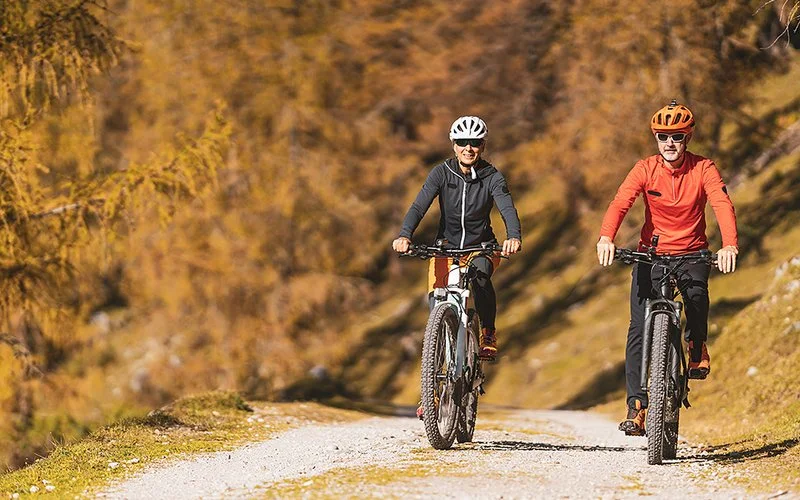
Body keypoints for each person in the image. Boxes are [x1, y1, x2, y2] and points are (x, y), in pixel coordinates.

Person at [595, 100, 739, 436]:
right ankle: (637, 407)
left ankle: (697, 344)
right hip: (651, 255)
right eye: (663, 136)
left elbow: (721, 203)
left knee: (698, 298)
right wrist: (606, 238)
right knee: (637, 328)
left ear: (687, 137)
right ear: (656, 138)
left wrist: (729, 244)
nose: (669, 143)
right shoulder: (644, 168)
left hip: (692, 252)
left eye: (676, 136)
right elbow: (620, 202)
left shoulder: (704, 168)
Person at [392, 116, 522, 363]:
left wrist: (513, 236)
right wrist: (404, 235)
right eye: (462, 142)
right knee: (435, 312)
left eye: (474, 142)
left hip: (481, 247)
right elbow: (419, 206)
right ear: (454, 145)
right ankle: (433, 393)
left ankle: (488, 333)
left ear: (482, 146)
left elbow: (507, 208)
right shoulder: (441, 173)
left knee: (480, 276)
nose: (468, 148)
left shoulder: (492, 177)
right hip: (446, 249)